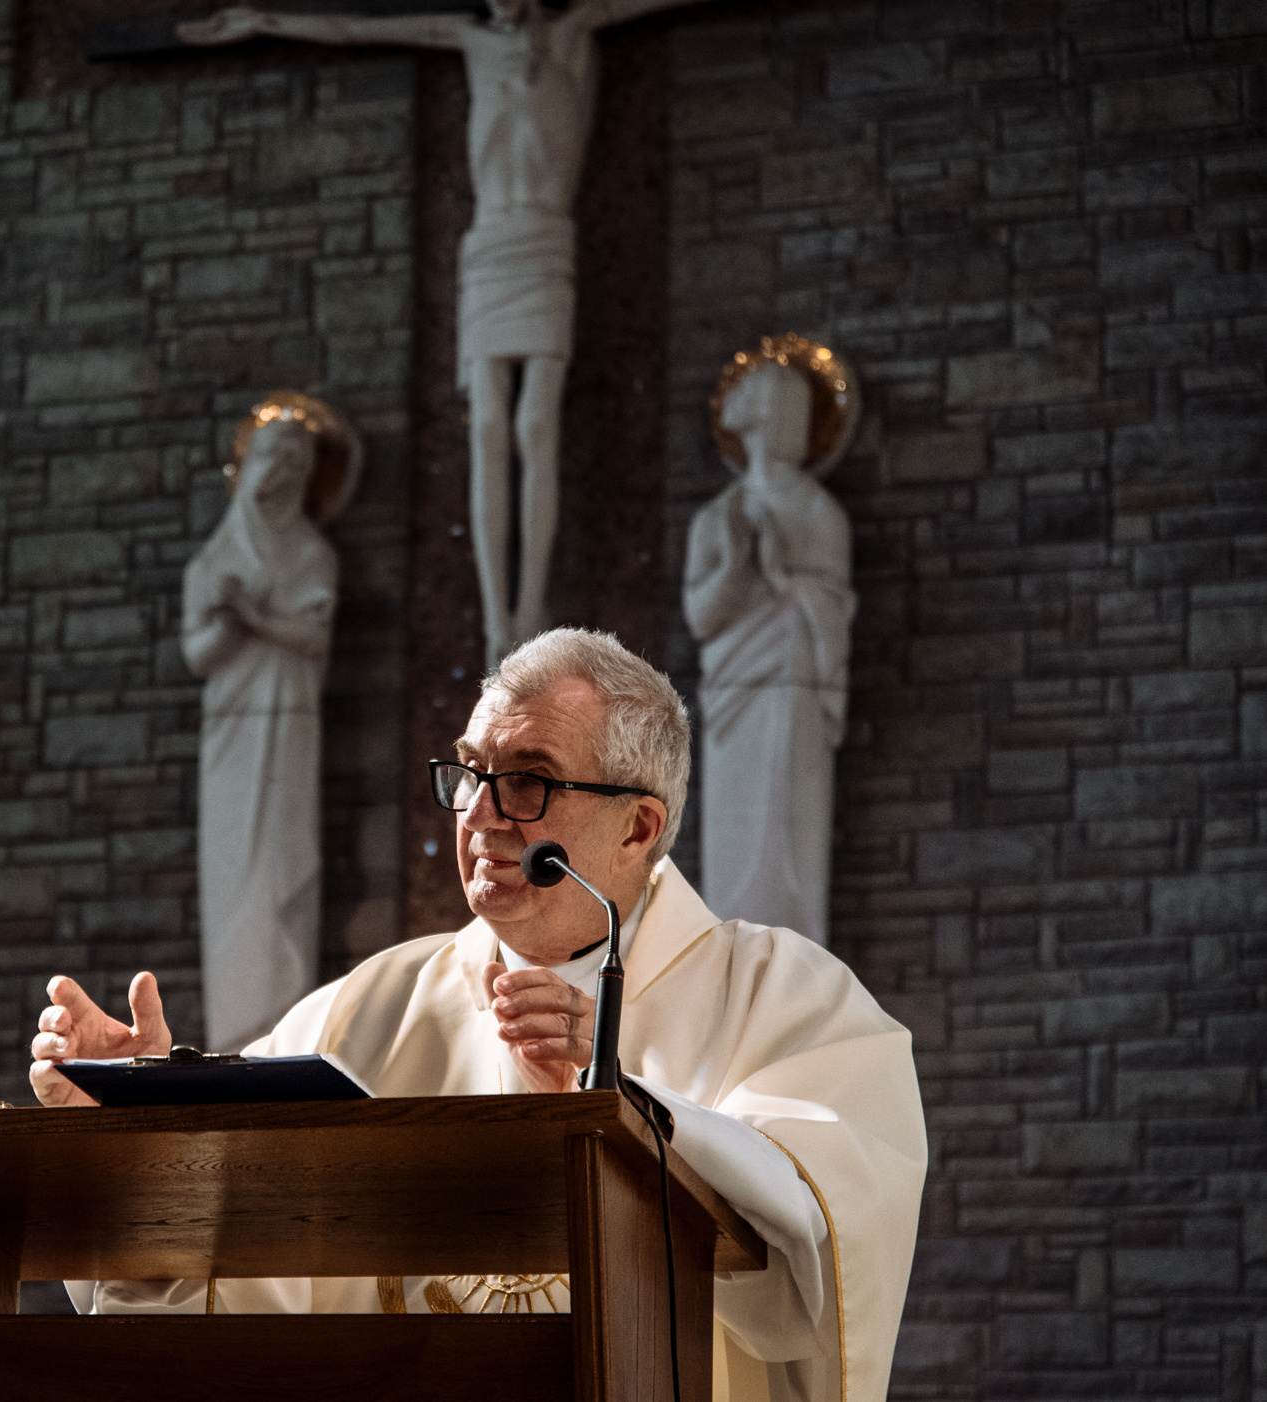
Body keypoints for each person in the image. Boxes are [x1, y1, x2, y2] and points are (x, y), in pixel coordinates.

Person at [29, 627, 924, 1402]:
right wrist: (137, 1135)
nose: (481, 814)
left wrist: (620, 1102)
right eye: (469, 773)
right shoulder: (371, 1010)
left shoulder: (781, 996)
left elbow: (827, 1226)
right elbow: (231, 1292)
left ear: (640, 828)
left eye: (528, 781)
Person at [181, 0, 711, 664]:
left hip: (545, 241)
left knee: (534, 428)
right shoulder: (469, 39)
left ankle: (531, 603)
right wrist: (265, 21)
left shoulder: (575, 33)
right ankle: (496, 619)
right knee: (486, 430)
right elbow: (355, 25)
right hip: (488, 248)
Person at [180, 414, 339, 1050]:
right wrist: (231, 622)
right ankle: (233, 1037)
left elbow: (314, 636)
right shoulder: (214, 558)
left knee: (282, 869)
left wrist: (250, 612)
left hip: (291, 728)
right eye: (274, 458)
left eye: (298, 465)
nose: (283, 474)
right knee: (234, 875)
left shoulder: (312, 554)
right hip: (230, 738)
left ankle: (280, 1037)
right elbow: (199, 655)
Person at [684, 359, 856, 945]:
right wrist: (736, 568)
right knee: (733, 842)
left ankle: (796, 963)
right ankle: (732, 962)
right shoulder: (717, 517)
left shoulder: (818, 512)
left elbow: (835, 606)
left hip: (794, 681)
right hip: (734, 696)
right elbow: (701, 616)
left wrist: (785, 578)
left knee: (789, 828)